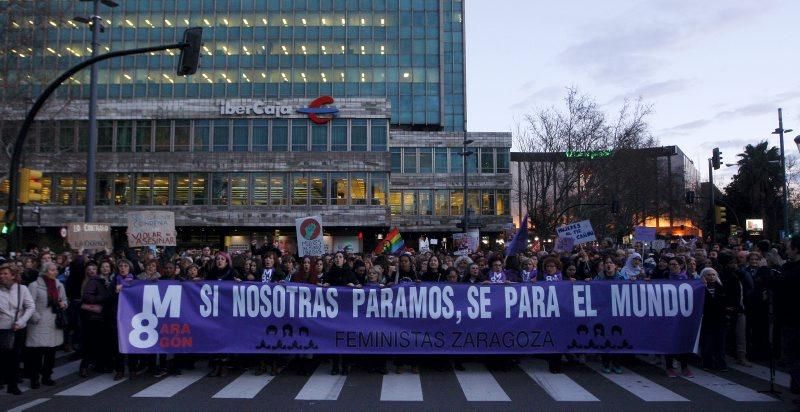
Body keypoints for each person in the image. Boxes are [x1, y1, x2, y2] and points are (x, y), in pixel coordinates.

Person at [25, 262, 68, 389]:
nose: (54, 272)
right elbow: (29, 303)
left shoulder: (59, 285)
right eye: (51, 270)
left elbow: (65, 300)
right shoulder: (34, 286)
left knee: (51, 352)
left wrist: (63, 304)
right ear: (44, 271)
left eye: (55, 270)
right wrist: (35, 317)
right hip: (39, 323)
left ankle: (47, 376)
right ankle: (34, 378)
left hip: (54, 322)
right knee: (37, 353)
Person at [321, 252, 360, 375]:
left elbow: (359, 285)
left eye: (340, 257)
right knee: (334, 338)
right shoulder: (330, 273)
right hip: (334, 312)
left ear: (344, 260)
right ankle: (335, 365)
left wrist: (353, 285)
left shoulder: (349, 272)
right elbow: (324, 285)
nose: (338, 259)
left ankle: (346, 365)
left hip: (347, 312)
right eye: (336, 257)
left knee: (346, 337)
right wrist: (325, 285)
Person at [0, 263, 35, 395]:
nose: (2, 276)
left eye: (5, 274)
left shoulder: (22, 289)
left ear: (13, 276)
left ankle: (13, 384)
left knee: (15, 357)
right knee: (2, 357)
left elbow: (30, 307)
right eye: (1, 274)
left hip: (17, 328)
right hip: (1, 328)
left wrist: (20, 322)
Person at [664, 257, 694, 378]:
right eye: (670, 264)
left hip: (683, 315)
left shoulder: (689, 279)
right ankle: (669, 367)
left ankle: (685, 366)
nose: (672, 266)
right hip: (668, 315)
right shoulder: (665, 278)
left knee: (683, 340)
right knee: (669, 341)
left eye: (675, 264)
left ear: (681, 266)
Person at [700, 267, 728, 371]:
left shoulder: (721, 288)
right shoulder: (701, 288)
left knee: (720, 343)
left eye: (713, 275)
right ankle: (707, 363)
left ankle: (721, 364)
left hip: (720, 320)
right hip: (706, 319)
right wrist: (704, 287)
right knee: (707, 343)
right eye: (708, 275)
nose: (711, 277)